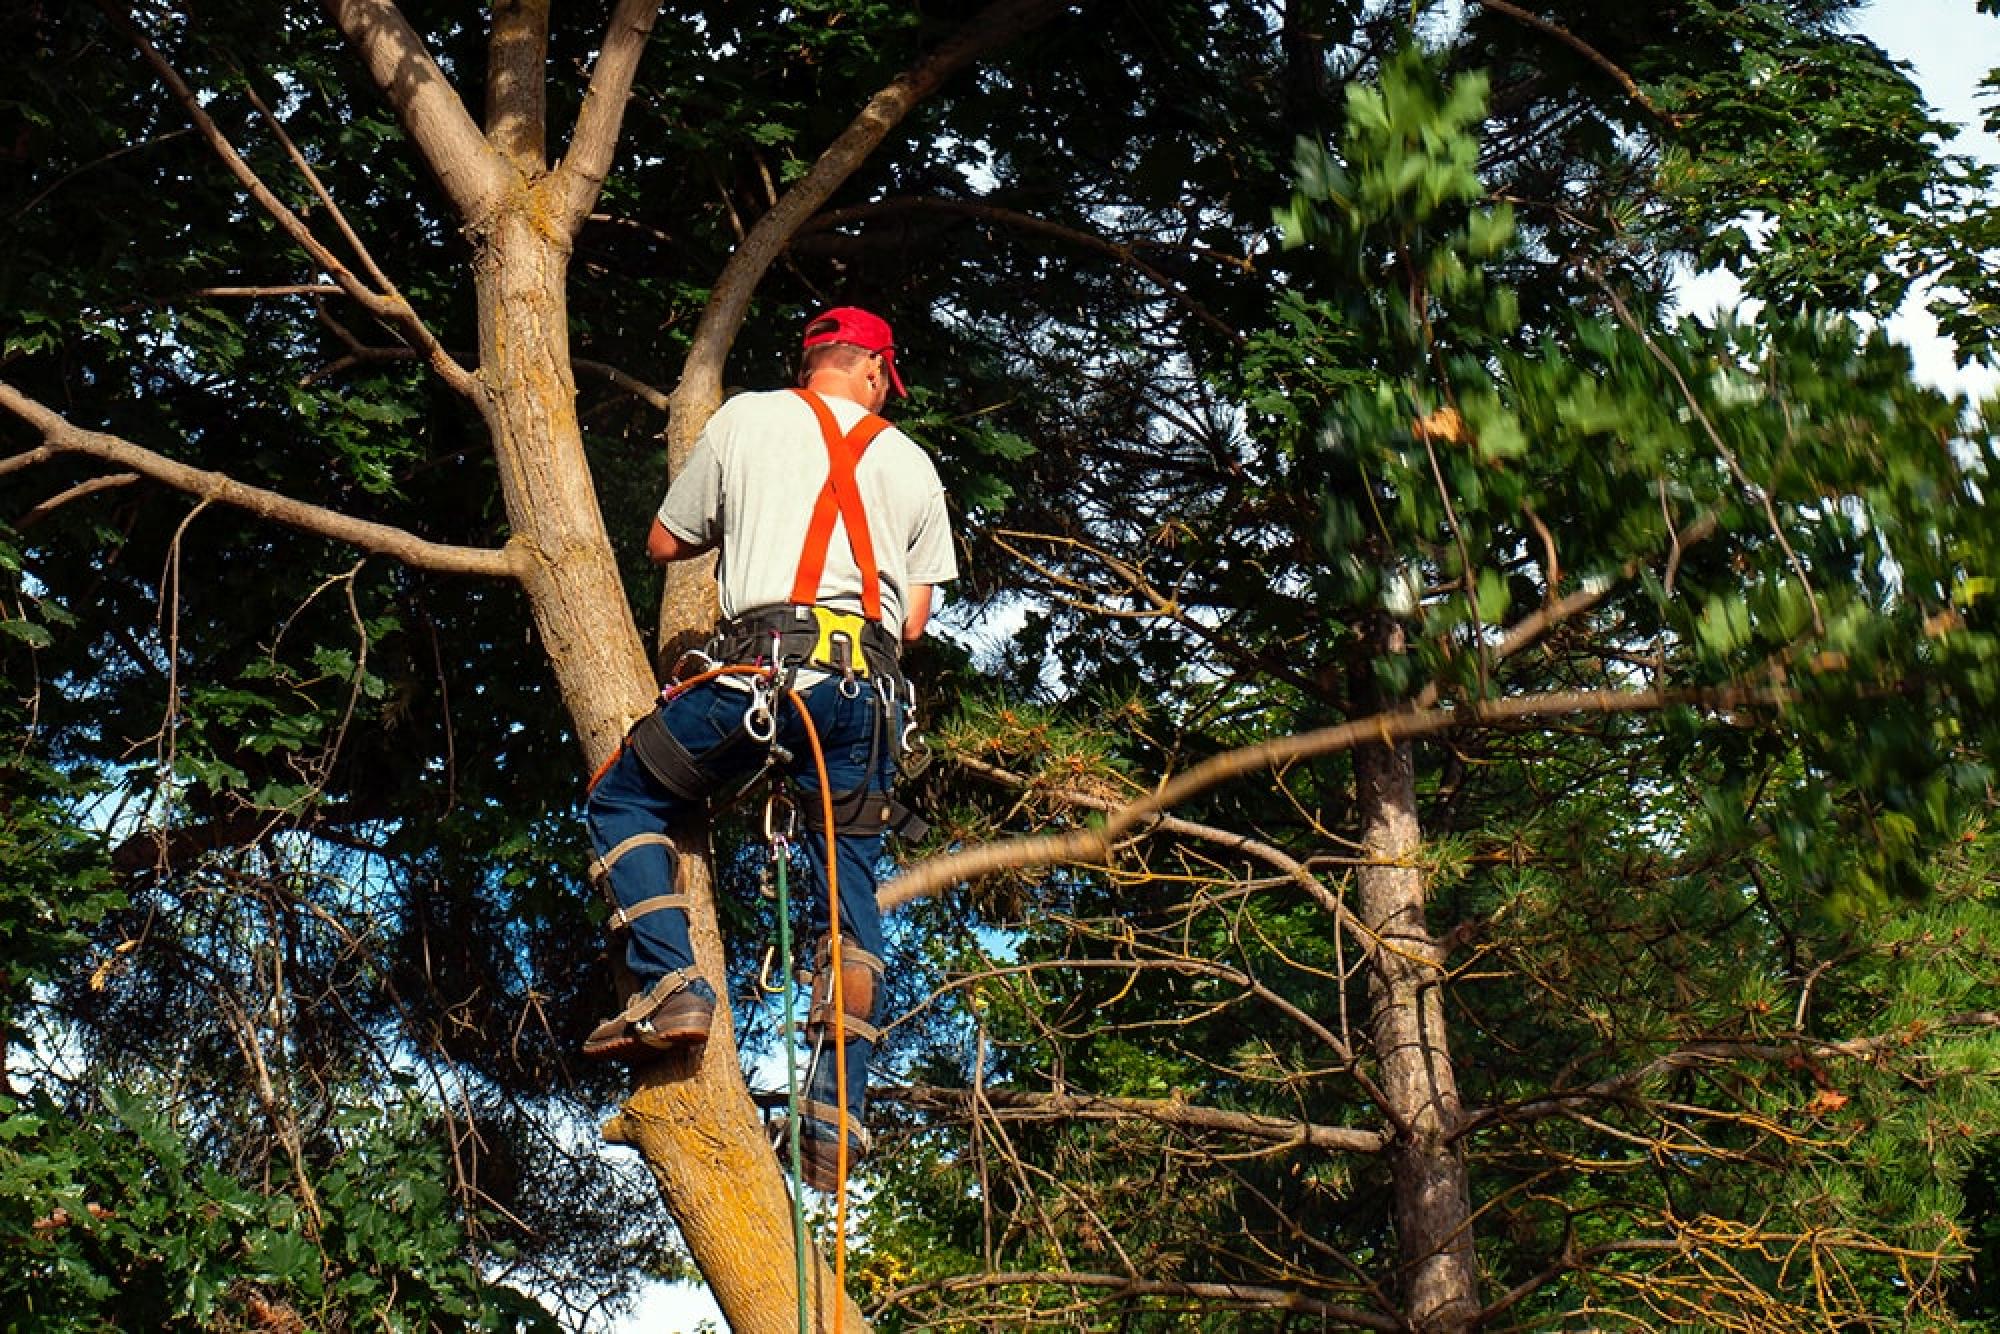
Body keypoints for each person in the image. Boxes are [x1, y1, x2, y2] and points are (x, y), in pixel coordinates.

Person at [581, 306, 956, 1191]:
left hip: (764, 674)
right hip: (867, 698)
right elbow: (911, 620)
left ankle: (672, 986)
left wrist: (753, 519)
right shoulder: (911, 462)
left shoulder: (745, 417)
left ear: (814, 361)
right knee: (846, 905)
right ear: (873, 371)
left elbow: (665, 541)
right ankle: (832, 1123)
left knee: (628, 796)